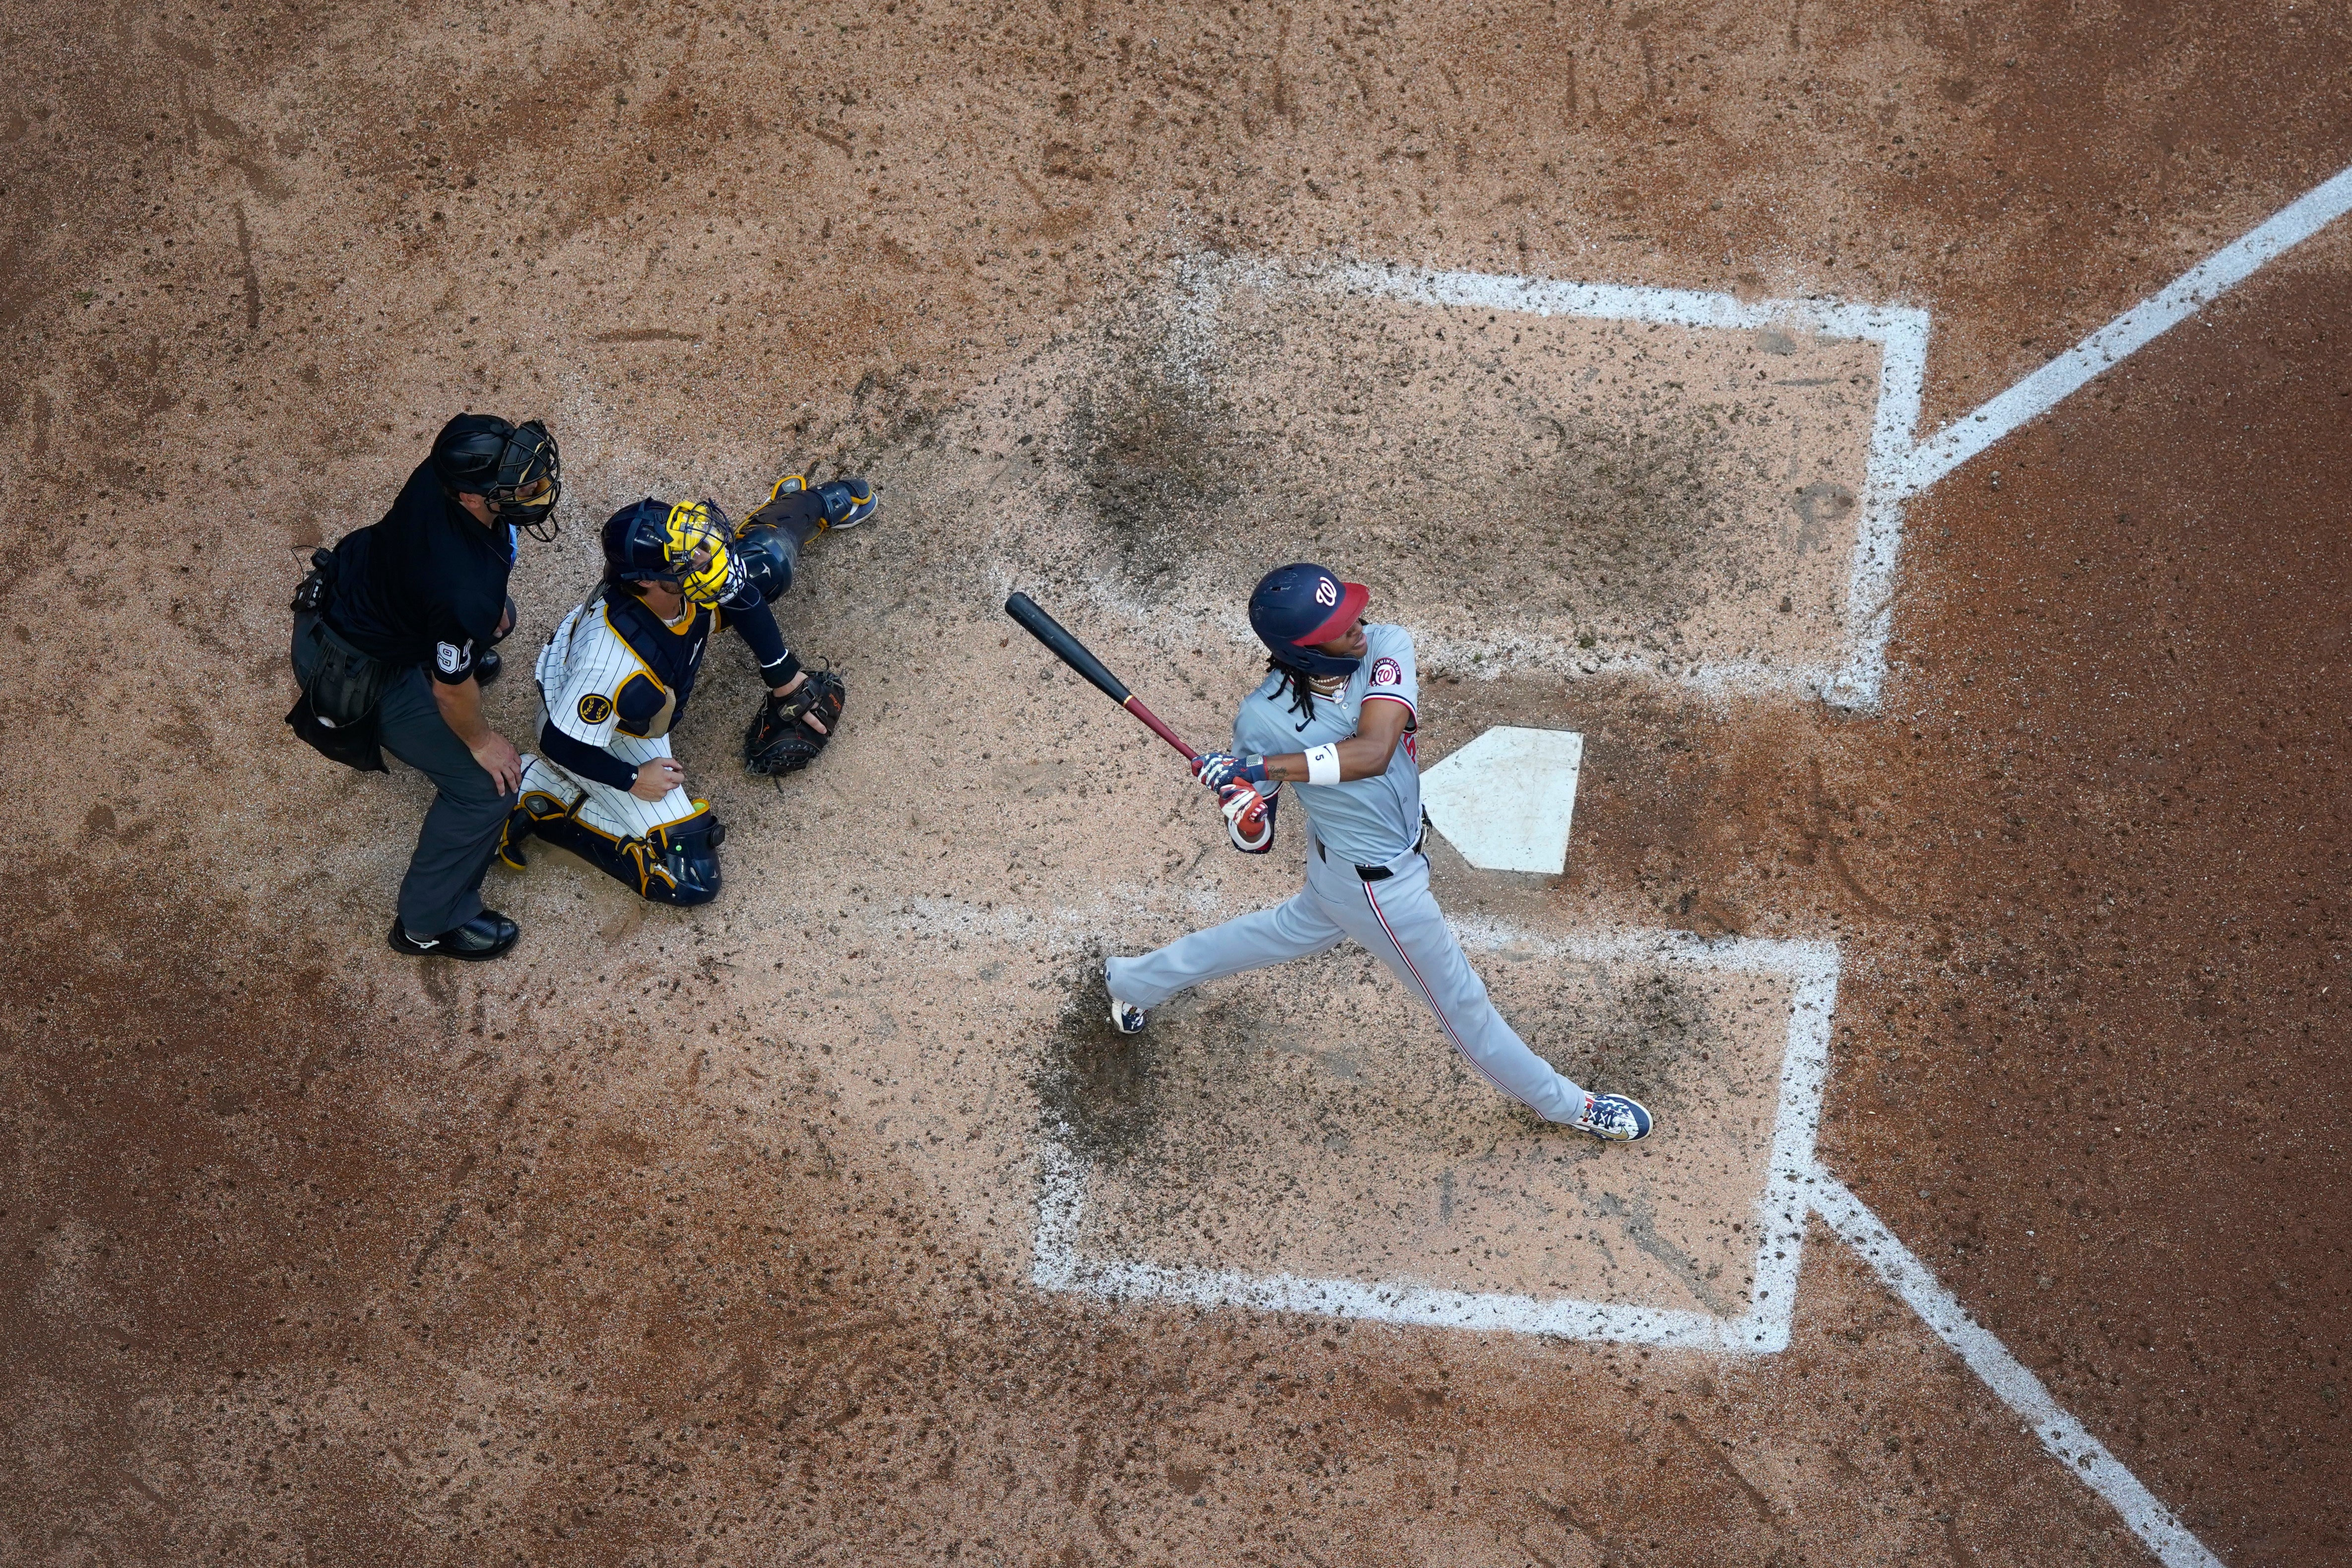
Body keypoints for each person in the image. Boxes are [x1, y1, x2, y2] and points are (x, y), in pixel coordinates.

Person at [1104, 563, 1655, 1141]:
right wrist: (1241, 809)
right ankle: (1570, 1105)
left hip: (1351, 868)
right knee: (1464, 1008)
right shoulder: (1262, 720)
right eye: (1340, 627)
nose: (1359, 627)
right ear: (1305, 651)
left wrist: (1256, 769)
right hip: (1380, 893)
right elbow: (1257, 835)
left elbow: (1373, 750)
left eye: (1352, 613)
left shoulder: (1387, 645)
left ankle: (1133, 983)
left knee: (1274, 934)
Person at [495, 475, 872, 904]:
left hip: (655, 648)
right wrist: (634, 778)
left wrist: (786, 678)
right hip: (603, 728)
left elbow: (738, 591)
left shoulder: (680, 581)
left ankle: (808, 503)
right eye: (684, 565)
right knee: (687, 877)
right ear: (644, 583)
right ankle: (537, 791)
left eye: (697, 549)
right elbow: (558, 742)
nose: (703, 560)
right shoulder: (612, 664)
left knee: (765, 564)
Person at [289, 413, 562, 961]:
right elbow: (452, 694)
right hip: (352, 670)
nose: (538, 487)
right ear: (469, 498)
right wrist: (482, 741)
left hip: (362, 596)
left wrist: (461, 640)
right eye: (520, 485)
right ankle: (427, 923)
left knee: (492, 616)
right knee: (489, 791)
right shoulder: (462, 586)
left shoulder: (444, 467)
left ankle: (445, 655)